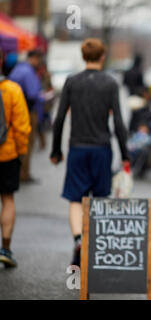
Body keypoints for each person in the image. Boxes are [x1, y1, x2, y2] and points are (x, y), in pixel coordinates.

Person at [50, 38, 129, 266]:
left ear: (83, 57)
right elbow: (119, 123)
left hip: (77, 148)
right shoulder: (110, 83)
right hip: (102, 150)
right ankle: (96, 248)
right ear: (102, 57)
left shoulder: (71, 82)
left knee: (76, 199)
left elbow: (60, 119)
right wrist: (125, 155)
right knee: (100, 199)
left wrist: (56, 150)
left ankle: (78, 239)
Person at [0, 49, 31, 268]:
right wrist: (21, 152)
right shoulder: (12, 90)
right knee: (7, 199)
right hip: (6, 153)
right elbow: (21, 128)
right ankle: (5, 249)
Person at [8, 49, 45, 183]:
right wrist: (43, 97)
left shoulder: (17, 69)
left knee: (16, 143)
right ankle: (24, 174)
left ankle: (17, 172)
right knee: (27, 143)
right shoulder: (28, 72)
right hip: (27, 111)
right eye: (39, 59)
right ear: (34, 58)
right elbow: (33, 94)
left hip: (13, 111)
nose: (39, 63)